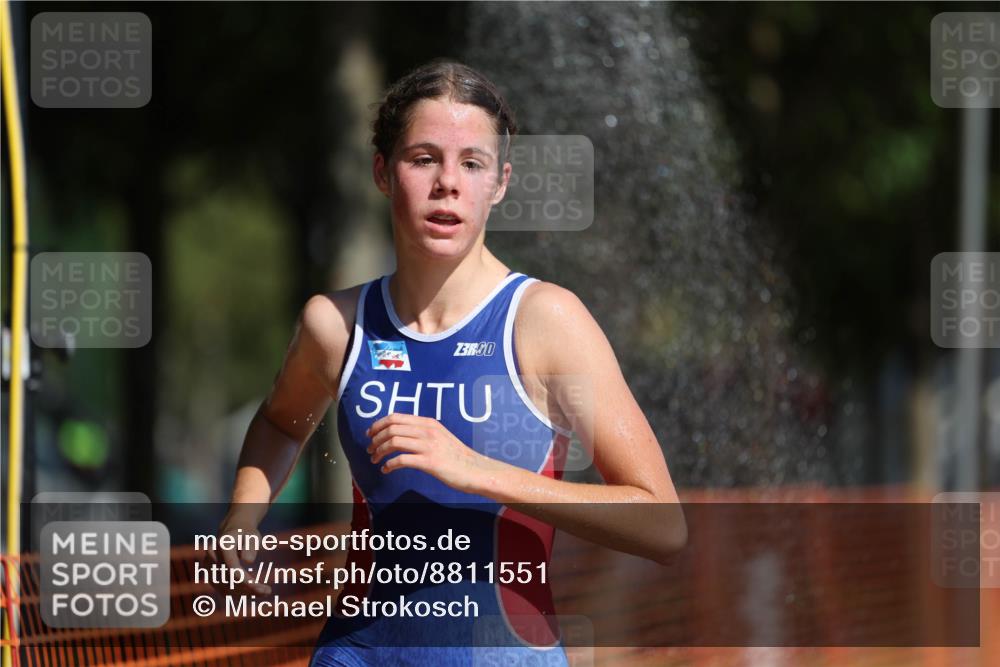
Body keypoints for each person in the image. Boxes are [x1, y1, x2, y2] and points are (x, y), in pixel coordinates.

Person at [211, 59, 686, 666]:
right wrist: (241, 519)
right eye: (423, 158)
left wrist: (472, 468)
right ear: (383, 172)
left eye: (472, 164)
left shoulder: (546, 321)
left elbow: (664, 525)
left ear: (500, 183)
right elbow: (281, 423)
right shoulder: (336, 325)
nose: (447, 184)